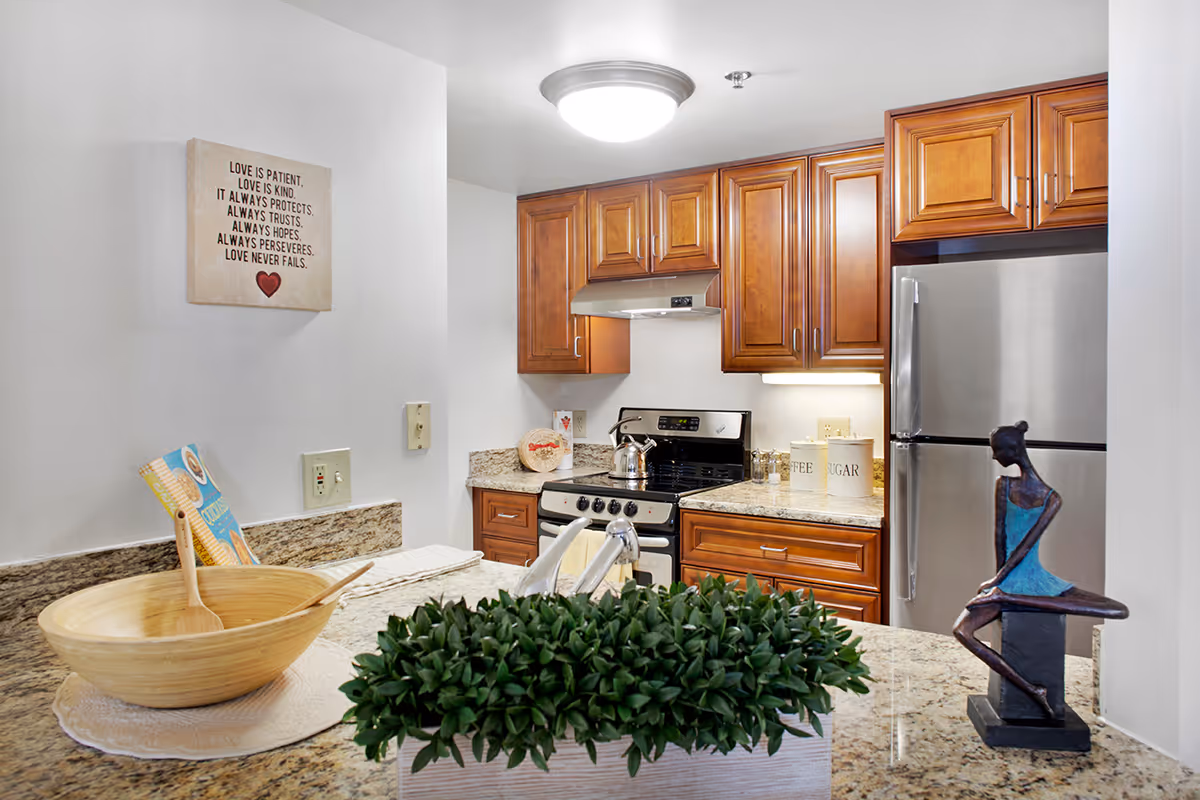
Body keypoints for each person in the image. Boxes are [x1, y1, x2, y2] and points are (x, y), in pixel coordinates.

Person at [953, 421, 1128, 717]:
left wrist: (999, 584)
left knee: (1117, 610)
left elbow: (1024, 547)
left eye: (997, 450)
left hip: (1029, 579)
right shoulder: (1004, 485)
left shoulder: (1051, 499)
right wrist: (996, 582)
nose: (994, 456)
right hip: (1007, 580)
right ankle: (1034, 690)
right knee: (962, 631)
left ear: (1013, 450)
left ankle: (1011, 599)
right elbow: (1000, 541)